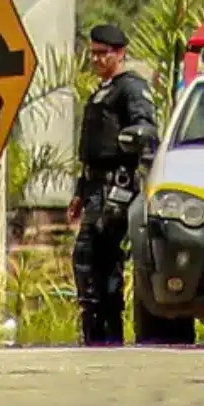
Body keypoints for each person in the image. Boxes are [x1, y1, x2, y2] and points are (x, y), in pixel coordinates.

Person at [67, 23, 157, 346]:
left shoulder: (130, 89)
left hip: (115, 187)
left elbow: (146, 134)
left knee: (100, 259)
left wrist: (131, 184)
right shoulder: (101, 92)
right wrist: (80, 192)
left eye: (102, 53)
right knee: (90, 262)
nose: (96, 60)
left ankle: (108, 334)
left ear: (120, 53)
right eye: (92, 53)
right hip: (94, 188)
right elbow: (94, 150)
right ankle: (96, 334)